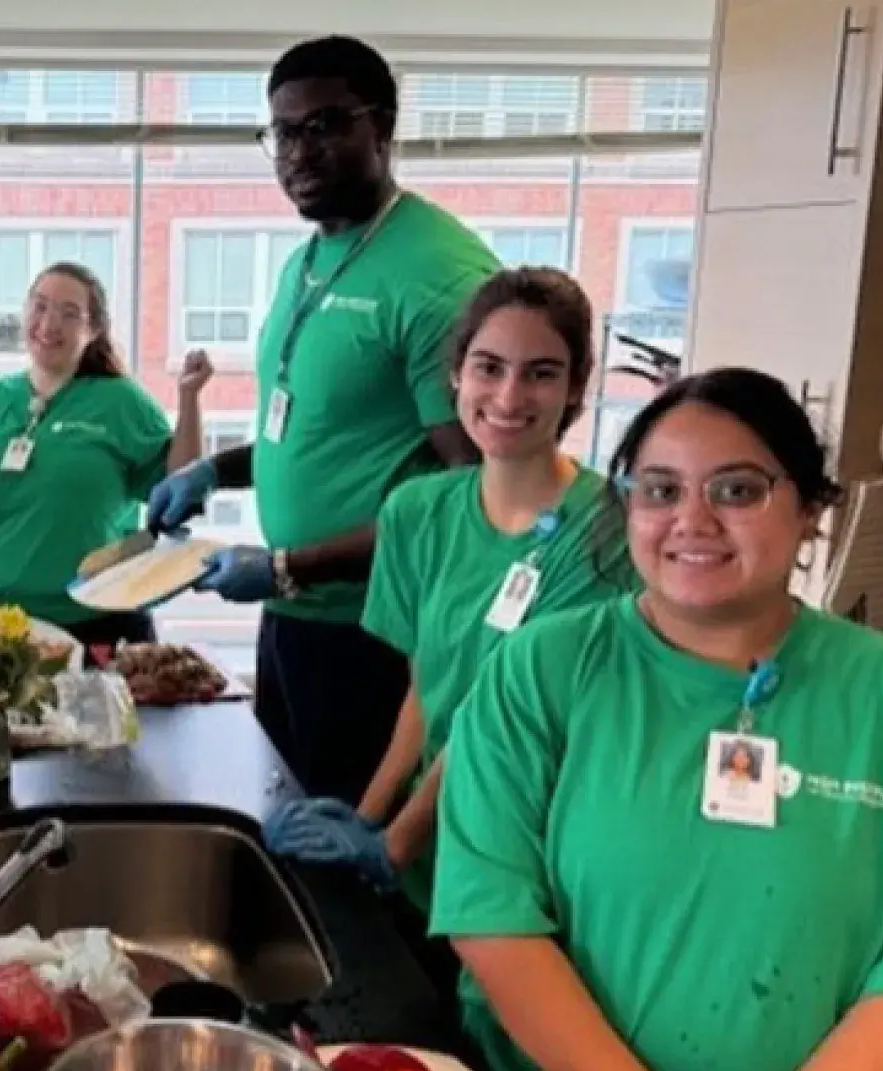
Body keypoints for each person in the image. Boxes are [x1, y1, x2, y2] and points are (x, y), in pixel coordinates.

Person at [432, 368, 883, 1071]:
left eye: (737, 490)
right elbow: (491, 908)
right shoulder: (543, 671)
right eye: (660, 491)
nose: (692, 521)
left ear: (811, 511)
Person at [262, 268, 635, 1018]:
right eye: (488, 368)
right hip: (430, 848)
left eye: (541, 373)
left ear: (575, 390)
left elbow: (498, 719)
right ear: (455, 374)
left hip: (529, 855)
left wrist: (395, 841)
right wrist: (370, 819)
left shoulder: (604, 533)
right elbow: (426, 691)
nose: (507, 397)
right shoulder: (418, 511)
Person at [147, 34, 500, 803]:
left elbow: (470, 498)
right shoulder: (312, 254)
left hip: (375, 638)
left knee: (351, 871)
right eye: (282, 131)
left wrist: (287, 566)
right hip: (297, 618)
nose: (298, 151)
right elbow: (311, 428)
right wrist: (217, 471)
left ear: (382, 127)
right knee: (289, 827)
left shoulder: (438, 276)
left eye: (325, 125)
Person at [0, 261, 211, 648]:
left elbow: (182, 485)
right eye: (40, 306)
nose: (49, 324)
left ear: (93, 330)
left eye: (69, 314)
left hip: (94, 626)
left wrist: (189, 398)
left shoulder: (120, 403)